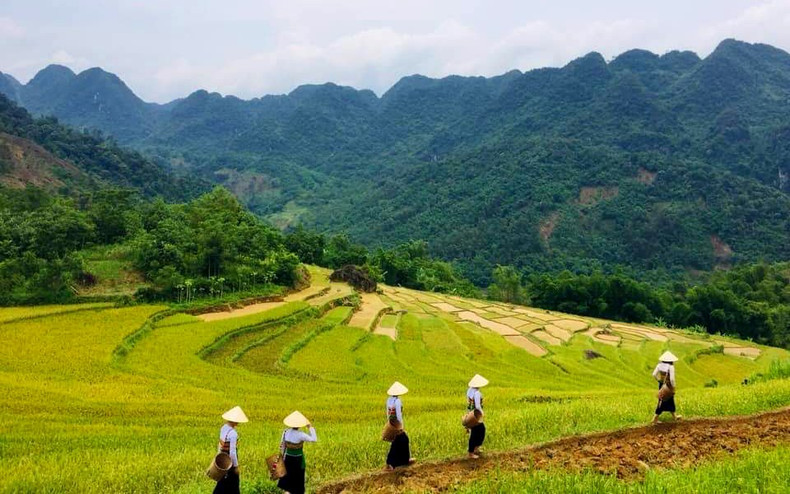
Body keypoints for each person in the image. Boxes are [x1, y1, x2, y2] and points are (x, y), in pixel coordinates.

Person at [277, 411, 317, 494]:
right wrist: (310, 427)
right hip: (297, 461)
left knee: (288, 486)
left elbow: (282, 446)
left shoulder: (285, 432)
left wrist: (282, 459)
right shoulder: (301, 435)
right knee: (297, 484)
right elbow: (314, 439)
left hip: (287, 459)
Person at [214, 406, 248, 494]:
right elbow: (232, 452)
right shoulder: (233, 433)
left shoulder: (223, 428)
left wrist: (218, 458)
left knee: (222, 482)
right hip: (230, 461)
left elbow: (220, 445)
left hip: (222, 459)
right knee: (233, 484)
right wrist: (236, 466)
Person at [384, 381, 415, 469]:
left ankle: (392, 462)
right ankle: (402, 461)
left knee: (396, 441)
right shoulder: (398, 401)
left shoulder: (388, 400)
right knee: (404, 439)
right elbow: (398, 415)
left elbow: (388, 413)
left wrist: (390, 423)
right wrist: (401, 426)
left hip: (391, 422)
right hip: (397, 423)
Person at [652, 351, 682, 424]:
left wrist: (659, 380)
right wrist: (673, 386)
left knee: (667, 400)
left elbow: (654, 374)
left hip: (662, 385)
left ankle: (675, 416)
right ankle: (654, 419)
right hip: (669, 385)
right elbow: (672, 379)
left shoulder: (659, 365)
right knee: (662, 401)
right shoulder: (671, 367)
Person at [466, 374, 488, 458]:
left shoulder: (469, 390)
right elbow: (478, 406)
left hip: (470, 413)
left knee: (477, 431)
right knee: (479, 431)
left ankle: (475, 448)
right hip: (476, 414)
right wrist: (482, 413)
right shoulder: (477, 393)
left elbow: (469, 403)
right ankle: (471, 452)